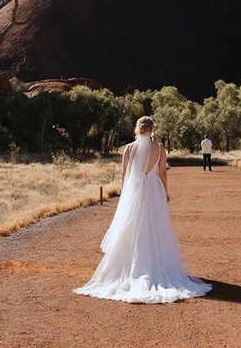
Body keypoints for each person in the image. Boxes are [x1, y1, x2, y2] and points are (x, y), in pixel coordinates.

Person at [73, 116, 212, 303]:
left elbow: (124, 173)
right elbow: (162, 172)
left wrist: (125, 194)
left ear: (138, 129)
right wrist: (166, 191)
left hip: (135, 190)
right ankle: (156, 265)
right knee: (155, 225)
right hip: (153, 189)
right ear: (152, 129)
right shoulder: (160, 148)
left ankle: (132, 266)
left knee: (132, 225)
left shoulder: (129, 148)